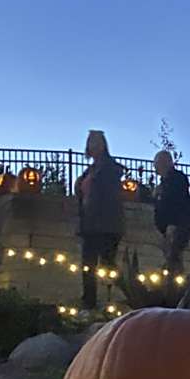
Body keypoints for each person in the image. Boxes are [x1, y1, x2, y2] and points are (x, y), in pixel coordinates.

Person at [74, 130, 125, 309]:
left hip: (105, 226)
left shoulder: (109, 169)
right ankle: (89, 302)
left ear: (102, 145)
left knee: (107, 266)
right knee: (88, 265)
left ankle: (116, 300)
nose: (91, 146)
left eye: (94, 142)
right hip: (90, 225)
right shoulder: (91, 170)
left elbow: (109, 198)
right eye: (89, 142)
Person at [151, 150, 190, 274]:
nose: (155, 169)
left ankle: (175, 282)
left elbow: (175, 202)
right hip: (166, 226)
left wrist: (160, 194)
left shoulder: (176, 179)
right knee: (171, 256)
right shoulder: (166, 181)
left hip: (174, 224)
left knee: (174, 257)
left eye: (157, 165)